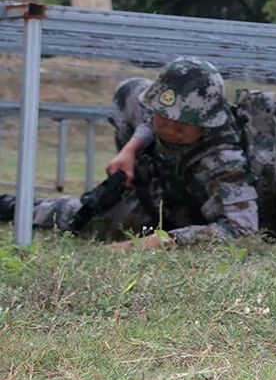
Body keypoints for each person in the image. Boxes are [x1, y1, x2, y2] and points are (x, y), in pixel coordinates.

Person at [0, 57, 259, 250]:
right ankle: (10, 207)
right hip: (153, 199)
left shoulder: (225, 160)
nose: (170, 129)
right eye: (164, 118)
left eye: (182, 124)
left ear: (206, 121)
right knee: (74, 213)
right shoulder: (154, 110)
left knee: (111, 227)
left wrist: (158, 242)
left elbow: (243, 231)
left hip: (190, 219)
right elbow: (142, 105)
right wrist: (131, 149)